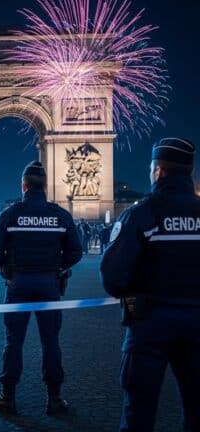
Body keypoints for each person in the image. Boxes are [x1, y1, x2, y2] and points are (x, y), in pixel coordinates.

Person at [100, 138, 200, 432]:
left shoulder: (141, 213)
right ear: (190, 170)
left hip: (149, 323)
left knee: (139, 412)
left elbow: (112, 277)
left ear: (158, 171)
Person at [0, 161, 82, 415]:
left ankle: (8, 396)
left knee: (13, 342)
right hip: (49, 284)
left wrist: (6, 269)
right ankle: (54, 398)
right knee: (51, 342)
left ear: (24, 186)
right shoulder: (60, 215)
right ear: (45, 186)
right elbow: (75, 252)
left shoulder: (11, 213)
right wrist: (57, 266)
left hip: (18, 283)